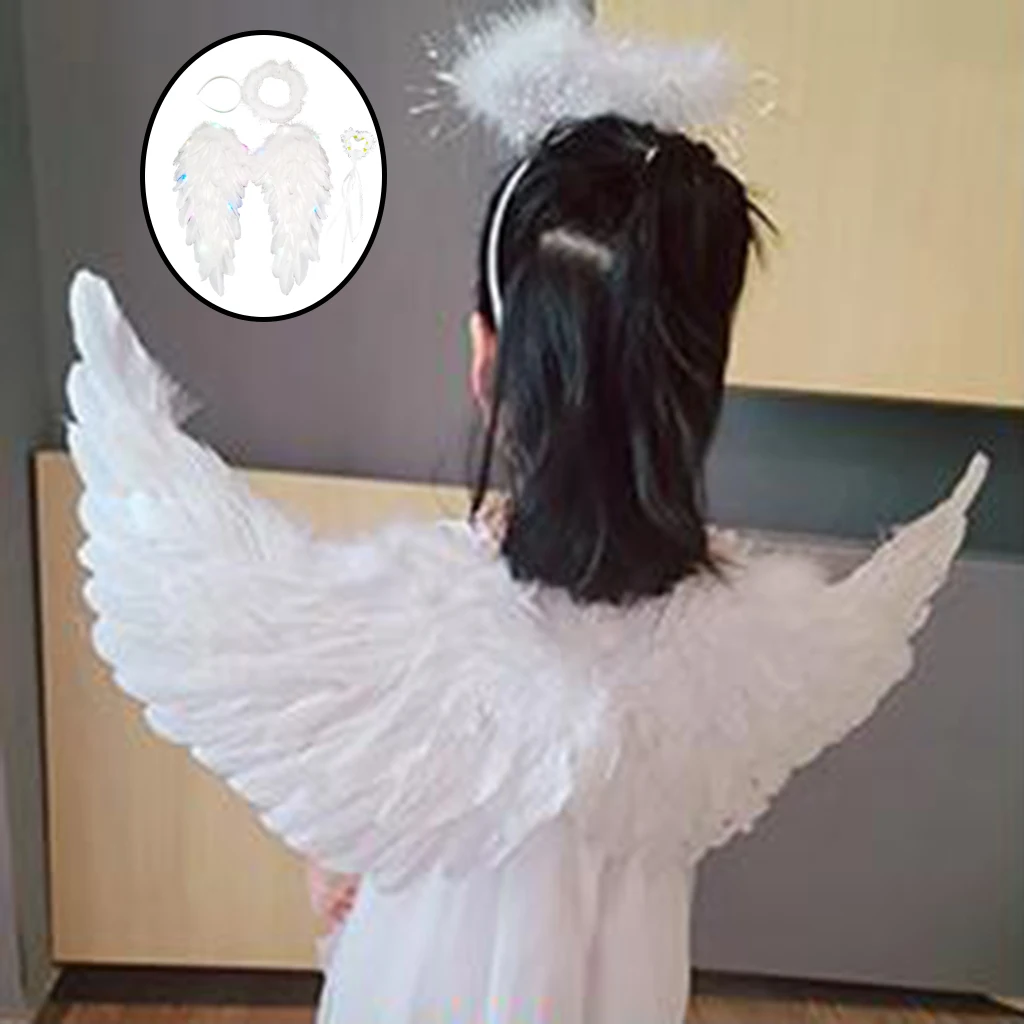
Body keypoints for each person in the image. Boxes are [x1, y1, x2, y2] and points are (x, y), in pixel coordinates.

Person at [64, 111, 987, 1024]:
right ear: (698, 381)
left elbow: (343, 824)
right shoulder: (751, 634)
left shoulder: (408, 616)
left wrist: (340, 856)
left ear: (486, 358)